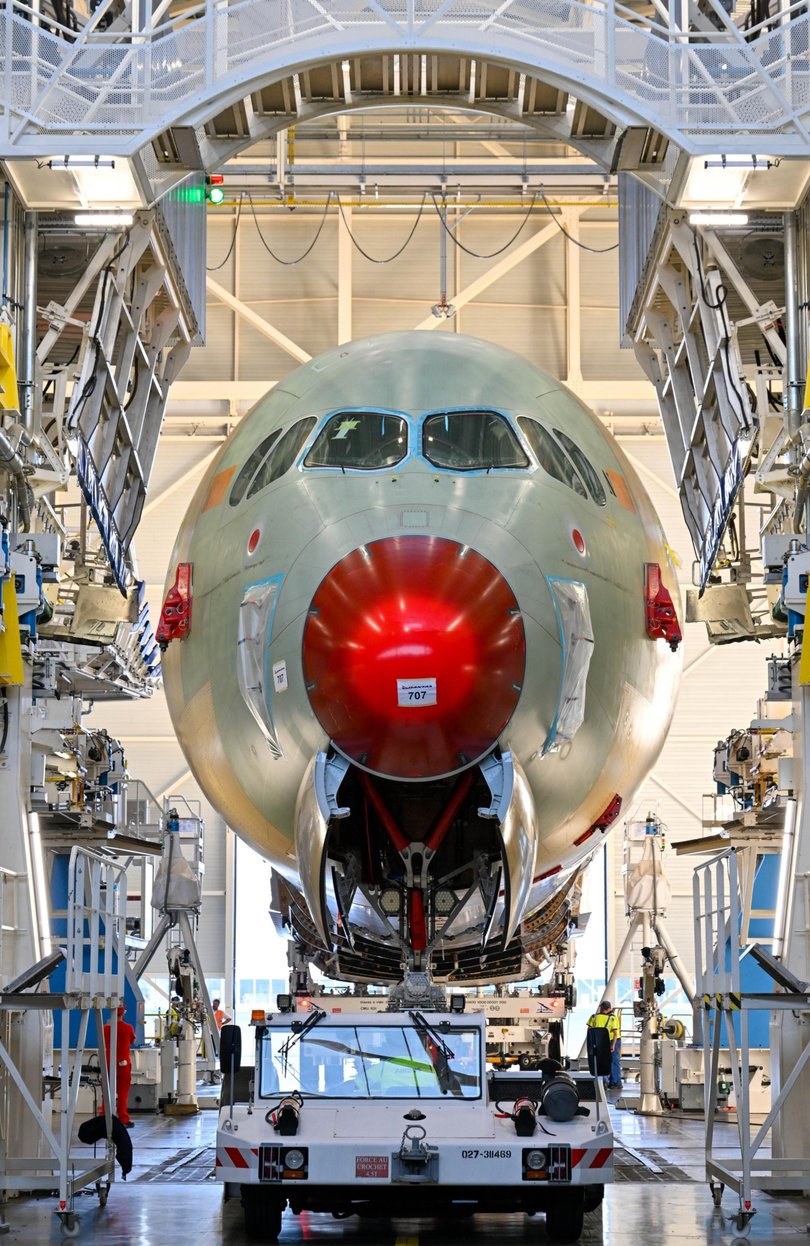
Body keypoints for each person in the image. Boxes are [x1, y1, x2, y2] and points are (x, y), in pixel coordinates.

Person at [101, 1004, 136, 1127]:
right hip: (123, 1064)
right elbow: (133, 1041)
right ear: (123, 1014)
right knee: (122, 1092)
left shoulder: (105, 1029)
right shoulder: (128, 1028)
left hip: (107, 1062)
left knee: (106, 1090)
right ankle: (123, 1118)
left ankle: (104, 1116)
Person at [586, 1000, 622, 1090]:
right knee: (614, 1061)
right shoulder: (613, 1018)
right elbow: (615, 1033)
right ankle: (615, 1082)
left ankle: (603, 1082)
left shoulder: (594, 1017)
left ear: (601, 1007)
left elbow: (589, 1031)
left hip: (599, 1041)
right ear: (609, 1008)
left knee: (601, 1061)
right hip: (613, 1041)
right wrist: (613, 1045)